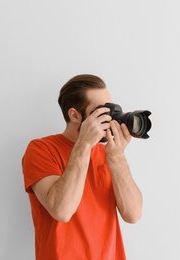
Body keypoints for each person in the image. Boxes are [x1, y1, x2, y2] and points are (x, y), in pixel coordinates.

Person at [22, 74, 143, 260]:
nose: (109, 118)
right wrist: (84, 145)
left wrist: (117, 157)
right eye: (101, 112)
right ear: (74, 115)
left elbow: (133, 214)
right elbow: (61, 210)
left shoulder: (109, 154)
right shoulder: (41, 149)